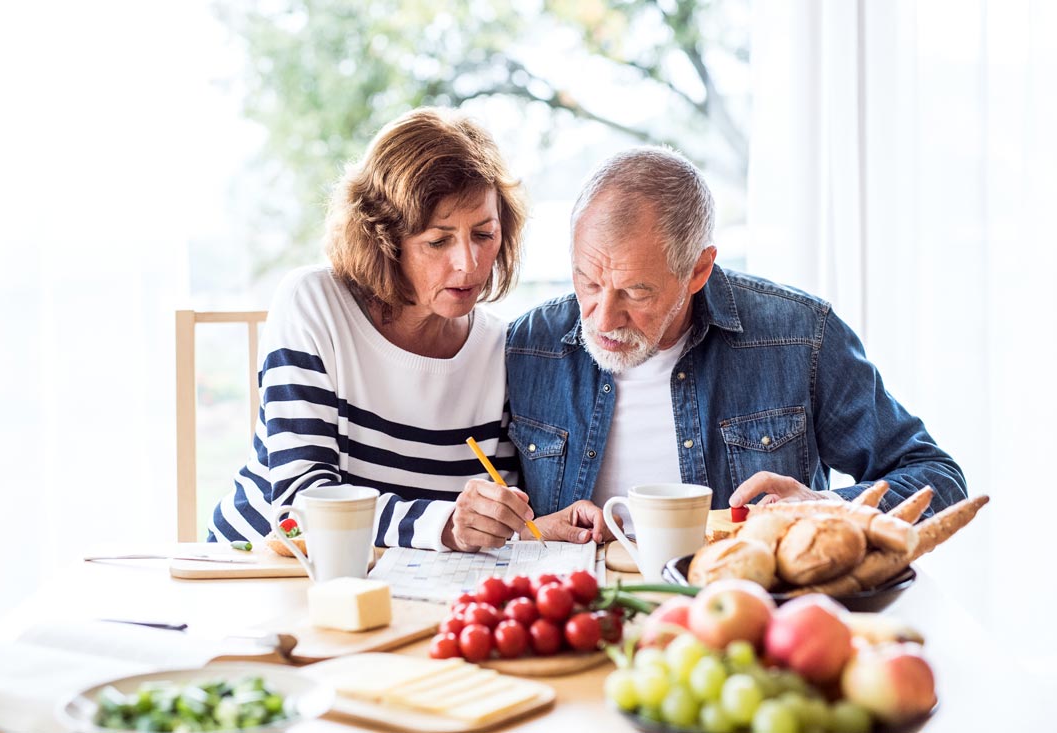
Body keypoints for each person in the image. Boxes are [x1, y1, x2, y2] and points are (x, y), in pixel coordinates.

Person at [506, 146, 967, 543]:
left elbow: (938, 478)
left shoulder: (799, 335)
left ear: (699, 270)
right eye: (587, 281)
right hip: (576, 620)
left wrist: (826, 507)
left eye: (636, 292)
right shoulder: (527, 347)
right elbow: (476, 523)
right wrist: (527, 529)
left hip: (756, 617)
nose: (603, 318)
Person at [209, 108, 537, 552]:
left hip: (401, 586)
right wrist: (444, 525)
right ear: (382, 238)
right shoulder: (315, 304)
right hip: (258, 570)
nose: (469, 263)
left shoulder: (499, 349)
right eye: (438, 241)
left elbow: (488, 518)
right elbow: (300, 509)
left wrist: (511, 522)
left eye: (484, 234)